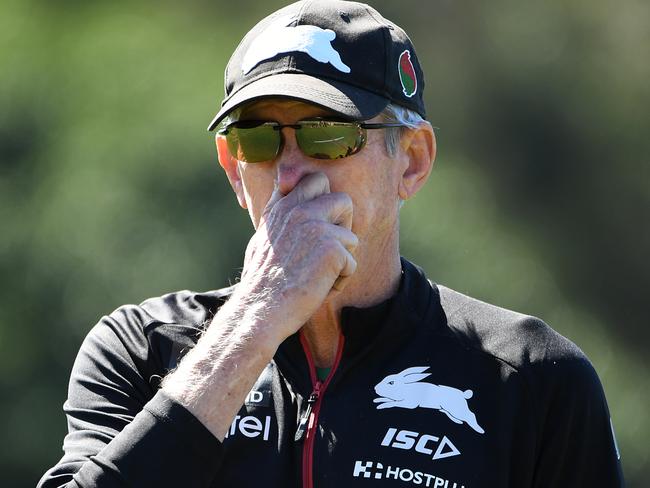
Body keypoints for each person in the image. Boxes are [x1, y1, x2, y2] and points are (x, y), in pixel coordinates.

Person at [39, 1, 625, 487]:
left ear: (412, 162)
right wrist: (258, 316)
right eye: (259, 139)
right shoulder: (142, 349)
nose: (290, 173)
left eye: (328, 135)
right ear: (232, 167)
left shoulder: (531, 380)